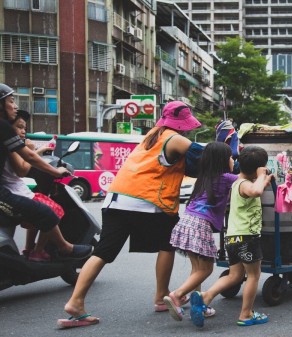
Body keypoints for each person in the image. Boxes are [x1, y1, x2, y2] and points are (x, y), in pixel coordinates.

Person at [58, 100, 201, 329]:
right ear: (181, 124)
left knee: (103, 251)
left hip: (117, 198)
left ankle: (75, 302)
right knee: (167, 244)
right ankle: (161, 295)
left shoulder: (153, 135)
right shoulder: (175, 138)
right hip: (148, 200)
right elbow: (205, 155)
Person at [0, 83, 93, 261]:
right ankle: (64, 248)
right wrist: (56, 171)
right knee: (47, 212)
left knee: (38, 209)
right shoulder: (3, 128)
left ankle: (31, 250)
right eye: (11, 101)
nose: (15, 106)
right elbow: (28, 159)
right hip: (3, 193)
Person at [190, 145, 273, 328]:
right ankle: (246, 314)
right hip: (247, 238)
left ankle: (206, 297)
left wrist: (263, 179)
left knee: (235, 276)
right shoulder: (245, 185)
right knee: (253, 275)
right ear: (259, 168)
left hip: (233, 238)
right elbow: (255, 191)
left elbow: (253, 189)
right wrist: (260, 177)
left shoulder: (236, 183)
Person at [163, 142, 238, 326]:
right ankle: (177, 295)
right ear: (222, 160)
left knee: (197, 270)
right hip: (199, 224)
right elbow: (244, 181)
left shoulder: (204, 177)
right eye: (230, 157)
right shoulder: (227, 178)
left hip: (187, 221)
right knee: (206, 269)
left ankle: (199, 304)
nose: (232, 160)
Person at [1, 110, 61, 261]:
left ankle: (29, 248)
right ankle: (38, 250)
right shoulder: (11, 145)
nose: (23, 131)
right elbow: (22, 169)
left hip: (14, 191)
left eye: (25, 129)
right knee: (54, 210)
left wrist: (37, 150)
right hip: (14, 193)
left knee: (37, 212)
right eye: (19, 127)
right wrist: (33, 151)